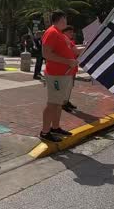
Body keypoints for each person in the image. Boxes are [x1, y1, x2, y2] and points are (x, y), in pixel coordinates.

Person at [39, 11, 77, 143]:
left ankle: (55, 127)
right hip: (56, 75)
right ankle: (45, 132)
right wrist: (68, 62)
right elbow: (46, 54)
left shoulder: (60, 34)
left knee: (58, 103)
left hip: (63, 75)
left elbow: (73, 50)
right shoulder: (51, 32)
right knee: (52, 103)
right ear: (60, 20)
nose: (66, 22)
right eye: (65, 20)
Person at [61, 26, 80, 112]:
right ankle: (63, 103)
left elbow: (76, 53)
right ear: (64, 33)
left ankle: (66, 101)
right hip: (67, 68)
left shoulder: (71, 42)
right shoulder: (63, 41)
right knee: (66, 86)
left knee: (70, 86)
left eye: (72, 32)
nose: (72, 34)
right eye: (70, 32)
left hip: (73, 67)